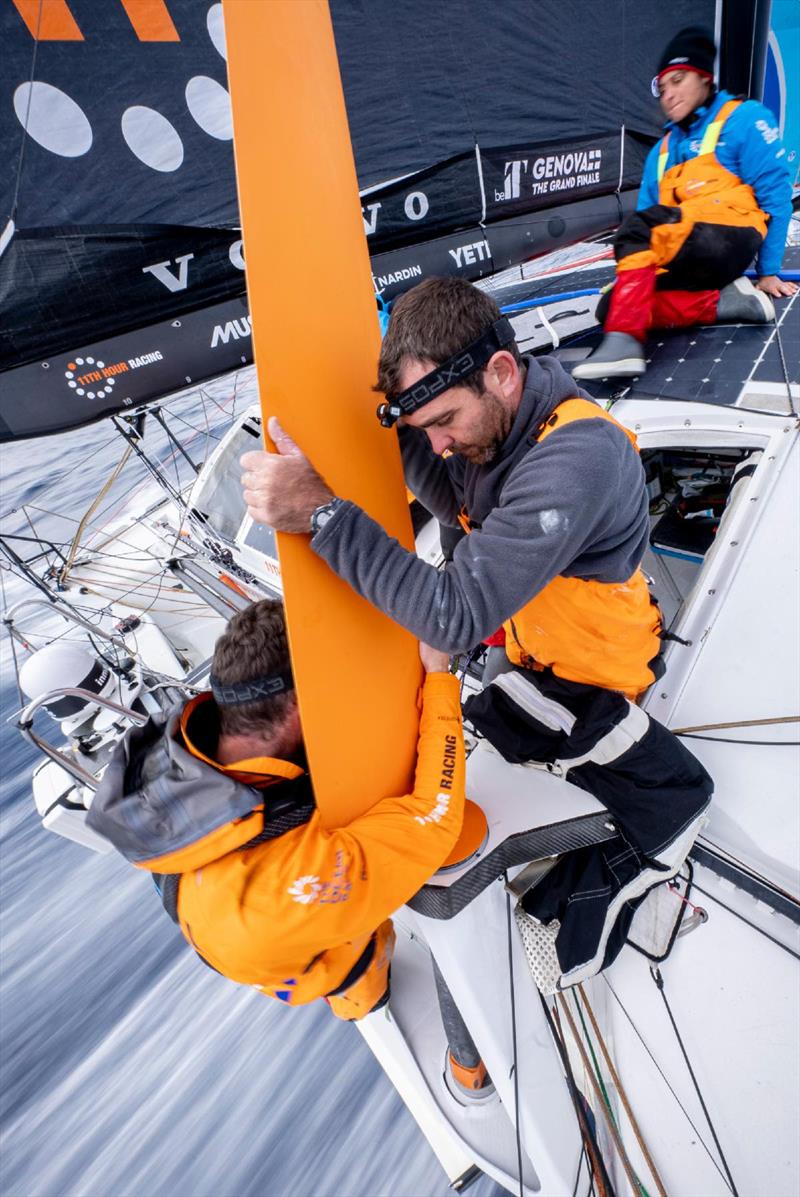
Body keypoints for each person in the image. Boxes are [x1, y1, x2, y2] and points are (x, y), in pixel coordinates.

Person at [240, 277, 713, 986]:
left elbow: (455, 615)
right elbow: (441, 481)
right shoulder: (490, 431)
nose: (438, 443)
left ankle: (571, 931)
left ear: (500, 371)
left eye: (445, 421)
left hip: (600, 683)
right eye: (423, 426)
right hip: (534, 659)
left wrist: (324, 517)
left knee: (685, 800)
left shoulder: (577, 458)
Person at [86, 599, 465, 1022]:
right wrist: (438, 677)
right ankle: (368, 997)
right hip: (278, 942)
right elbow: (435, 816)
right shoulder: (295, 888)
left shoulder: (186, 741)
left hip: (211, 906)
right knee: (362, 968)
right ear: (300, 707)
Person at [572, 25, 797, 381]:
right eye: (662, 88)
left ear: (705, 78)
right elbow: (647, 226)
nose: (668, 95)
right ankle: (726, 302)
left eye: (678, 80)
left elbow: (777, 195)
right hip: (690, 253)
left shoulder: (742, 120)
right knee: (612, 306)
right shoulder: (661, 151)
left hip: (731, 237)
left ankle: (625, 345)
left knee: (638, 234)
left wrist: (768, 272)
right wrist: (635, 279)